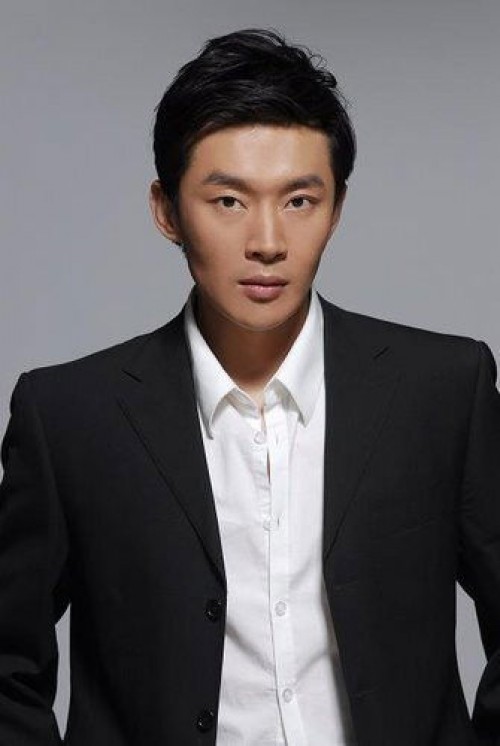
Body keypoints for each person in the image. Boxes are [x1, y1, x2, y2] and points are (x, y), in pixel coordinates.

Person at [0, 26, 499, 746]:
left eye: (299, 201)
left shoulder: (445, 390)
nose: (267, 241)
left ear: (337, 208)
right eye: (229, 201)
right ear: (167, 210)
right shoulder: (69, 417)